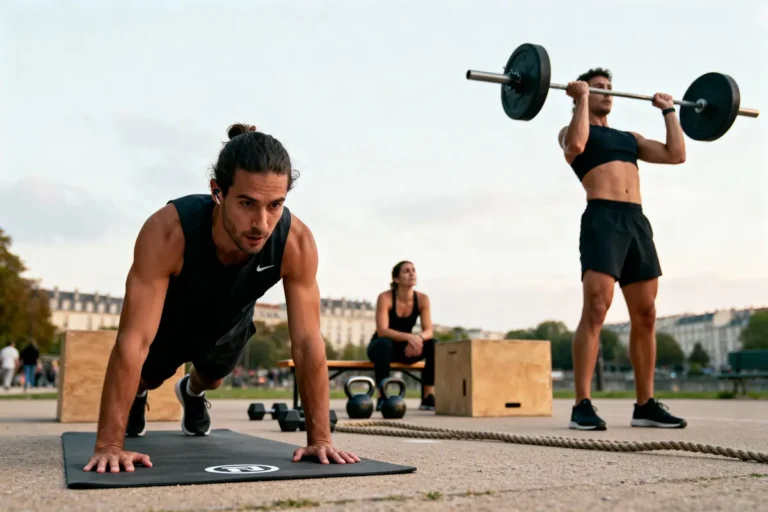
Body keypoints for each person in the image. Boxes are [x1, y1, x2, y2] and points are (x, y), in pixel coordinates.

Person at [83, 123, 360, 474]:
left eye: (275, 205)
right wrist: (109, 445)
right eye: (247, 203)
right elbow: (134, 338)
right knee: (144, 376)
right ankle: (139, 395)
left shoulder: (296, 242)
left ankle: (192, 393)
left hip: (229, 321)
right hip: (170, 319)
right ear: (218, 192)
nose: (261, 223)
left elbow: (306, 342)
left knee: (212, 378)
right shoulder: (168, 231)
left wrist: (320, 440)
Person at [558, 68, 688, 431]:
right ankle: (582, 404)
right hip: (603, 219)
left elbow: (676, 155)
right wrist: (581, 98)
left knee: (646, 313)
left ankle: (645, 405)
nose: (608, 94)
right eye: (599, 89)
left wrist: (668, 111)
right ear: (583, 93)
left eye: (609, 89)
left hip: (636, 222)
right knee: (596, 309)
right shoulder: (572, 132)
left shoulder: (629, 138)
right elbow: (576, 147)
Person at [367, 261, 436, 411]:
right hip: (382, 348)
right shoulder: (385, 298)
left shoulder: (422, 299)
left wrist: (418, 339)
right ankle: (382, 396)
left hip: (408, 349)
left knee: (434, 344)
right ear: (396, 279)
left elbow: (429, 331)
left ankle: (428, 396)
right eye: (406, 271)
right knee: (384, 343)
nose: (411, 273)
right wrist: (409, 337)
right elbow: (382, 331)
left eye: (413, 270)